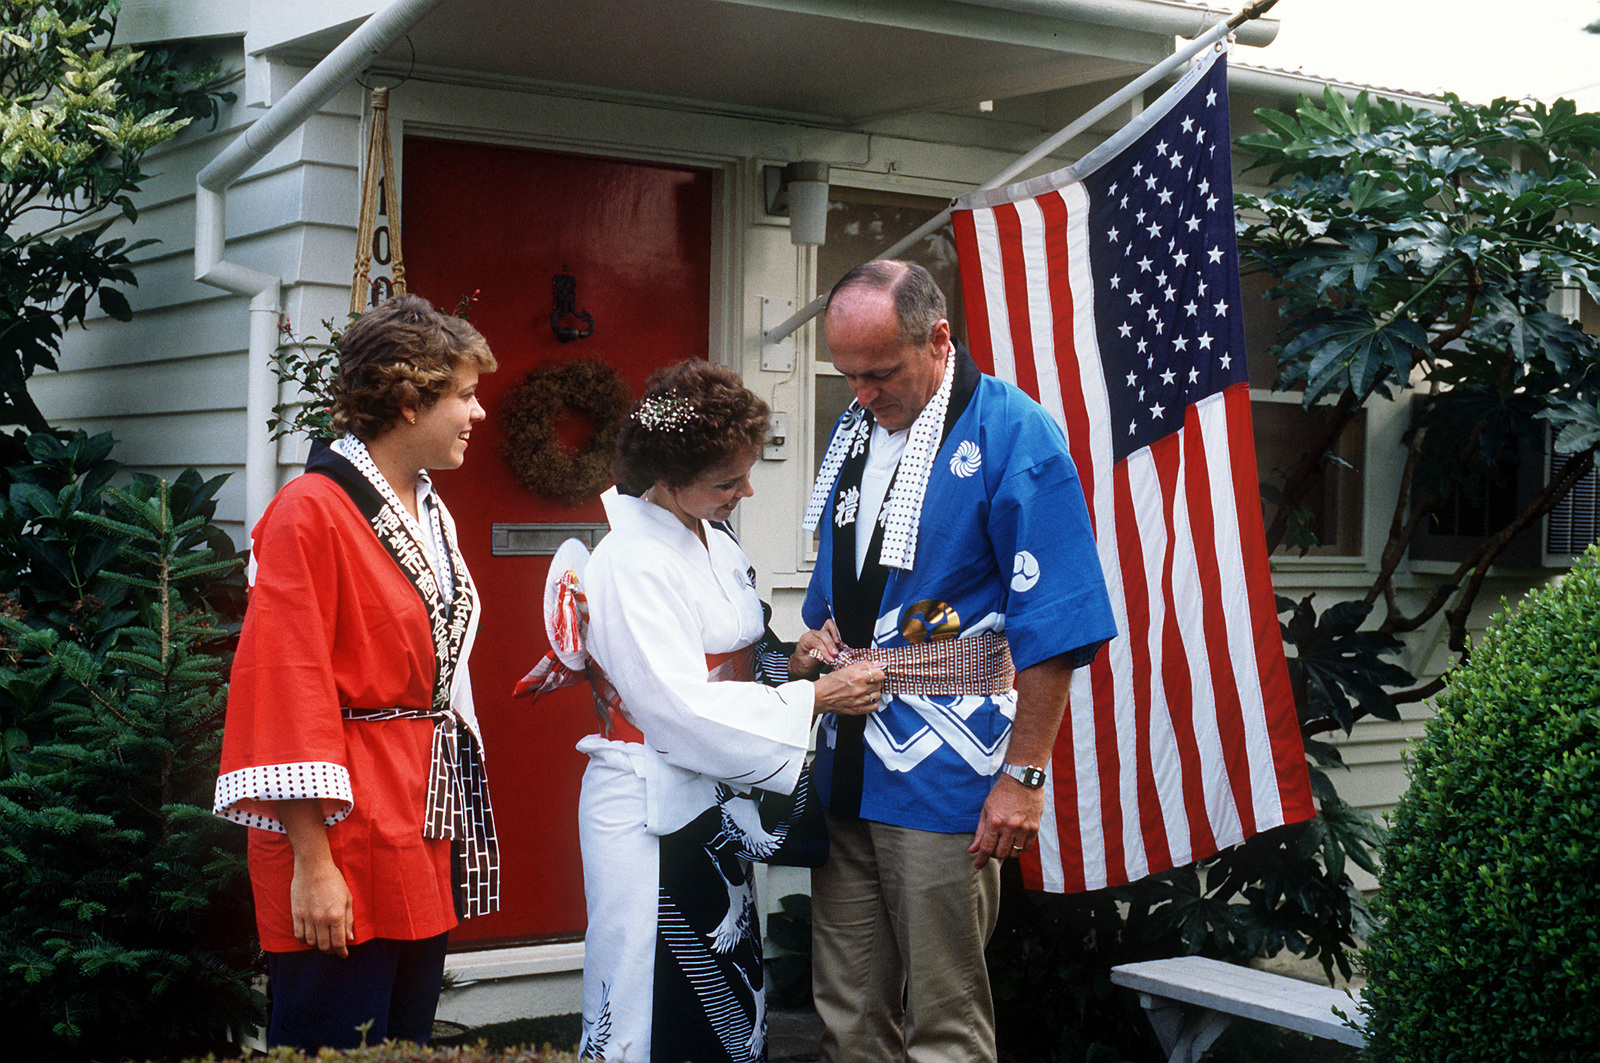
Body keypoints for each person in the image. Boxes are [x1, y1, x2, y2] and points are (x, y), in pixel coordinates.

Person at [801, 260, 1119, 1063]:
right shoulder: (856, 432)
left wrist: (1026, 774)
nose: (863, 393)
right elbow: (835, 593)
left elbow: (1056, 620)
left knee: (944, 1017)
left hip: (947, 763)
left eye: (881, 372)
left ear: (939, 338)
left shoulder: (1014, 432)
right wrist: (813, 641)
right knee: (846, 1007)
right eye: (848, 375)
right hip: (846, 758)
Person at [571, 359, 884, 1063]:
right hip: (651, 798)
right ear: (664, 476)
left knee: (724, 994)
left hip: (707, 801)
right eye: (725, 481)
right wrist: (812, 698)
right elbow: (679, 708)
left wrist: (790, 663)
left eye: (745, 474)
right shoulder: (630, 560)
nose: (744, 492)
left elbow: (738, 654)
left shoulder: (709, 535)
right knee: (651, 1006)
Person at [213, 294, 500, 1051]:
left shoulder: (431, 510)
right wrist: (312, 865)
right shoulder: (309, 512)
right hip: (338, 825)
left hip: (417, 813)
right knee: (334, 1037)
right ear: (408, 401)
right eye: (464, 396)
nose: (477, 414)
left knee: (401, 1037)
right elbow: (285, 685)